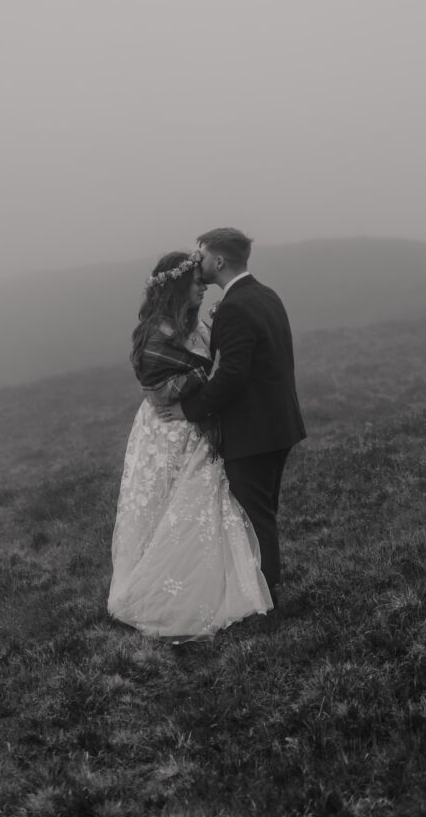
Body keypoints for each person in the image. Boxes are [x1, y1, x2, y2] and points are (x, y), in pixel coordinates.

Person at [107, 250, 273, 643]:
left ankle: (209, 586)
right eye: (197, 281)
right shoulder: (155, 332)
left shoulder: (193, 324)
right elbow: (157, 387)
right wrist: (201, 386)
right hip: (168, 430)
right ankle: (164, 594)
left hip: (194, 423)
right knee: (167, 507)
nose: (203, 286)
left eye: (202, 279)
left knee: (199, 506)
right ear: (179, 286)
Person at [159, 228, 306, 610]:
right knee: (263, 513)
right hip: (280, 424)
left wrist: (189, 409)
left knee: (256, 519)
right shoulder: (266, 294)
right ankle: (263, 592)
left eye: (202, 254)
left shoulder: (236, 307)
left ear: (219, 260)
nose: (198, 262)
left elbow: (233, 374)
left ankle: (267, 601)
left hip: (253, 432)